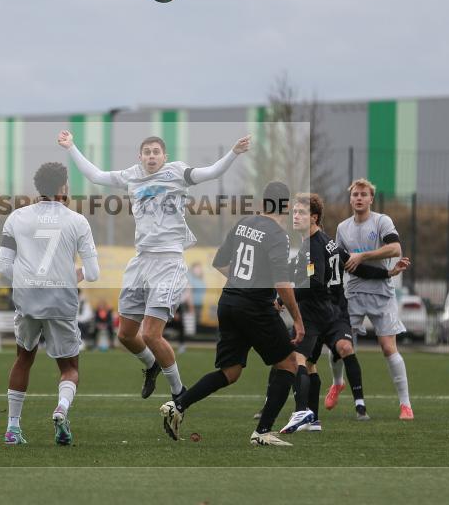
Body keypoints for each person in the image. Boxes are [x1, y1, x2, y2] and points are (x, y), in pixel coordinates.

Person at [58, 129, 251, 404]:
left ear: (164, 156)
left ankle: (178, 393)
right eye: (146, 152)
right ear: (140, 156)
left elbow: (211, 173)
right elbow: (96, 176)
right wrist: (71, 146)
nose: (151, 156)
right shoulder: (131, 175)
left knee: (150, 333)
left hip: (169, 261)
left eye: (156, 152)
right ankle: (151, 366)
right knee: (125, 335)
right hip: (141, 261)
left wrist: (233, 152)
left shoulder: (177, 173)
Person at [159, 182, 312, 447]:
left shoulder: (243, 223)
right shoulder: (278, 234)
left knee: (230, 372)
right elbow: (282, 283)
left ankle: (178, 405)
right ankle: (262, 432)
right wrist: (298, 319)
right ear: (285, 206)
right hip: (254, 307)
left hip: (229, 302)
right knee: (288, 363)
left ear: (264, 202)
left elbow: (219, 262)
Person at [277, 193, 409, 431]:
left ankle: (300, 413)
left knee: (297, 361)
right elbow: (354, 265)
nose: (295, 217)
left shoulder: (312, 247)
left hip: (314, 314)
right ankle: (314, 419)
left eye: (301, 213)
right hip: (331, 312)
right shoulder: (329, 242)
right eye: (294, 212)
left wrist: (283, 301)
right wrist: (387, 273)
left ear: (314, 218)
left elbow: (314, 283)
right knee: (310, 363)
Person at [0, 162, 100, 446]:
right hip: (61, 302)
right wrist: (70, 275)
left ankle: (12, 429)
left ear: (37, 188)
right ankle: (61, 410)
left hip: (27, 300)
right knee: (69, 368)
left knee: (23, 358)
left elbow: (4, 266)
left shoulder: (16, 217)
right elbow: (92, 274)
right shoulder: (78, 222)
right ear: (64, 188)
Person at [331, 178, 415, 420]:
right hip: (354, 293)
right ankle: (337, 383)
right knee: (341, 344)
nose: (359, 198)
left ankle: (405, 405)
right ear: (350, 199)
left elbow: (395, 249)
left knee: (388, 347)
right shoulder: (342, 228)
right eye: (355, 194)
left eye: (363, 194)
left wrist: (362, 256)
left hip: (382, 292)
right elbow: (340, 262)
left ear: (370, 199)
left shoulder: (381, 221)